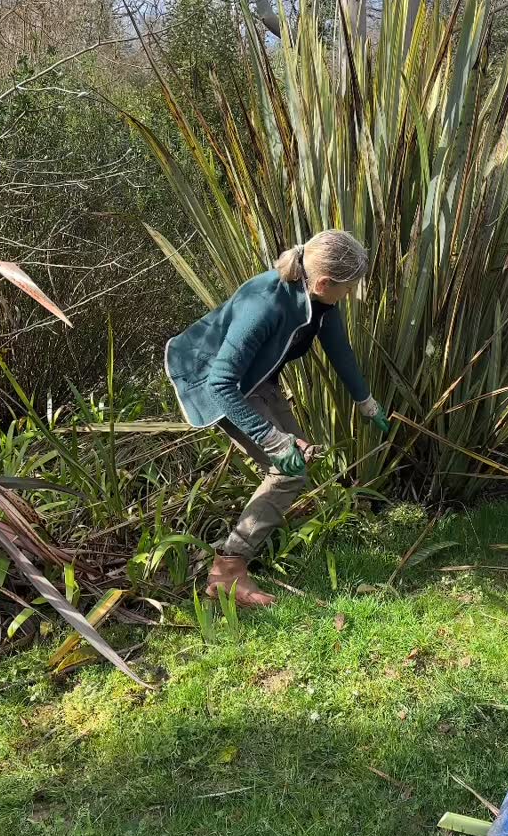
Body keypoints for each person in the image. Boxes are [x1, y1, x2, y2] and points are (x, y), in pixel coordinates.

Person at [165, 230, 389, 607]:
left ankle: (251, 545)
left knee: (298, 463)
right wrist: (273, 439)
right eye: (348, 289)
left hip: (257, 377)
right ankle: (227, 573)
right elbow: (221, 383)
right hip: (213, 381)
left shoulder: (318, 300)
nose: (350, 295)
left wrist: (366, 403)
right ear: (324, 283)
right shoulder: (265, 306)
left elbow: (341, 351)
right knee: (287, 469)